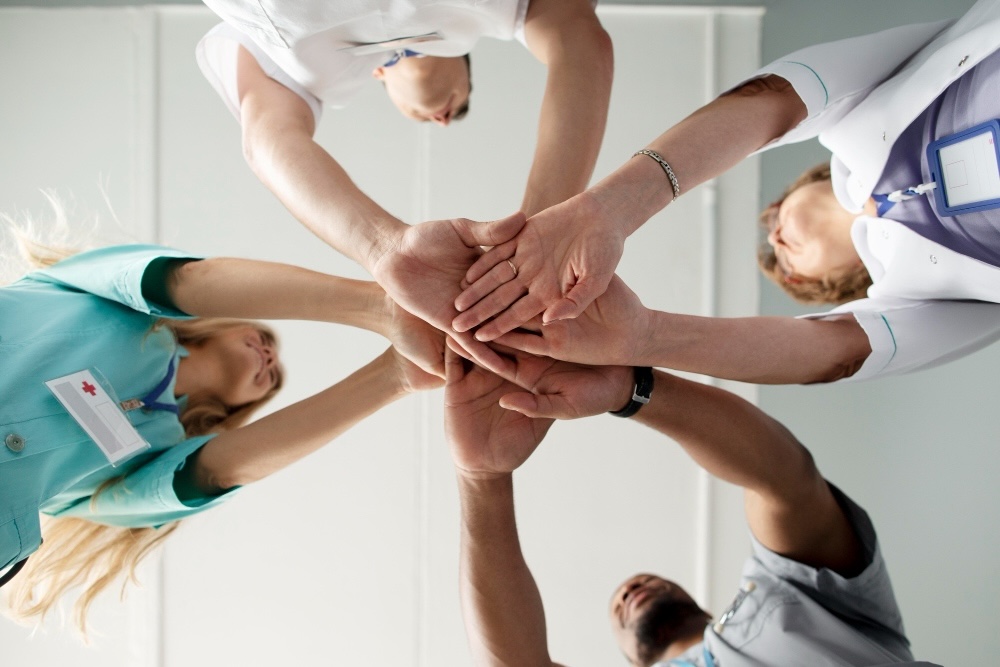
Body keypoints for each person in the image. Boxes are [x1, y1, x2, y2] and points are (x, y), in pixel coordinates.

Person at [452, 0, 1000, 386]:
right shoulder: (915, 291)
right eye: (787, 264)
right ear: (834, 286)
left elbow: (777, 99)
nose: (778, 237)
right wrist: (646, 337)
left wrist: (611, 209)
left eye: (772, 226)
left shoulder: (853, 123)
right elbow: (836, 354)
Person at [0, 241, 443, 630]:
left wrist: (397, 375)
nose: (270, 355)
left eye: (273, 376)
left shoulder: (156, 456)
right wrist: (383, 308)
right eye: (264, 339)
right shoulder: (89, 293)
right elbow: (187, 280)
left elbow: (221, 469)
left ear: (239, 409)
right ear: (224, 321)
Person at [443, 346, 939, 666]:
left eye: (637, 586)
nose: (631, 588)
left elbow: (785, 482)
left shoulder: (786, 596)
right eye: (622, 603)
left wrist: (628, 389)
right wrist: (481, 476)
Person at [194, 0, 612, 355]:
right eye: (464, 101)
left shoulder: (307, 70)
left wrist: (384, 247)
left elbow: (268, 140)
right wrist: (540, 238)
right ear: (462, 58)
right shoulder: (499, 13)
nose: (446, 121)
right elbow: (578, 44)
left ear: (379, 75)